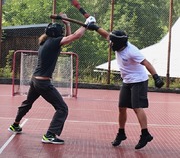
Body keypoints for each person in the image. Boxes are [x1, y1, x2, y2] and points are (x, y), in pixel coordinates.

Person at [8, 14, 95, 144]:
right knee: (62, 108)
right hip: (43, 83)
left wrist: (67, 24)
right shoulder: (54, 42)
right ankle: (50, 134)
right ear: (57, 34)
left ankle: (15, 124)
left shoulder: (45, 42)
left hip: (35, 80)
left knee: (28, 103)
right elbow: (75, 36)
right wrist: (86, 25)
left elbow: (69, 39)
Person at [87, 22, 164, 149]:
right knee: (121, 107)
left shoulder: (132, 51)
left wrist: (156, 77)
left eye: (112, 42)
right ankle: (121, 133)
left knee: (136, 107)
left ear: (118, 44)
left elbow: (146, 63)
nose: (110, 43)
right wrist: (94, 27)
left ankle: (145, 134)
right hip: (127, 81)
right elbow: (105, 34)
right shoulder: (116, 43)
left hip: (138, 81)